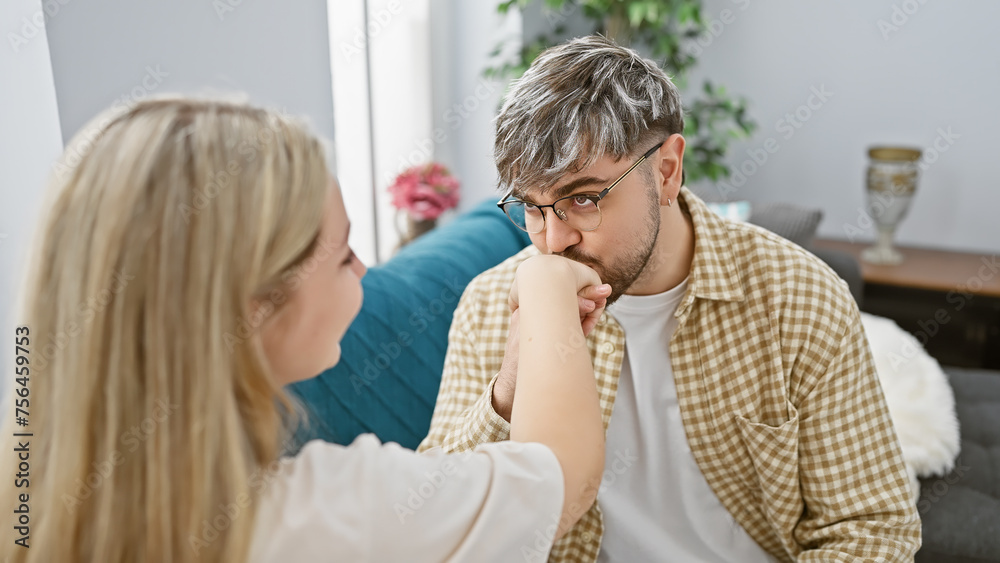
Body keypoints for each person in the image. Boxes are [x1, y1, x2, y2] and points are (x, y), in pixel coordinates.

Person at [0, 96, 611, 563]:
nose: (365, 270)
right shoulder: (328, 513)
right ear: (256, 305)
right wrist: (544, 286)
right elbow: (561, 475)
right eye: (344, 255)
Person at [419, 35, 921, 562]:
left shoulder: (799, 297)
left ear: (666, 171)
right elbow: (433, 521)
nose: (552, 241)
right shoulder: (489, 305)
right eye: (531, 206)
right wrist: (508, 389)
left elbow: (871, 530)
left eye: (583, 198)